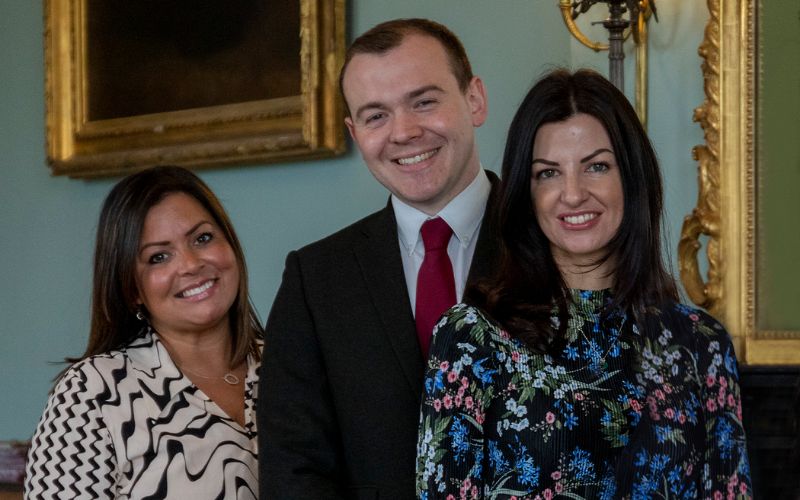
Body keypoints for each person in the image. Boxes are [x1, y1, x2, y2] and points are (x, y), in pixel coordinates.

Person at [415, 69, 752, 499]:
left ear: (631, 178)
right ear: (527, 192)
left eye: (596, 166)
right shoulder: (472, 338)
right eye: (548, 173)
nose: (572, 194)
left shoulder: (701, 343)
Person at [259, 19, 500, 498]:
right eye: (375, 116)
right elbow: (293, 472)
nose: (404, 132)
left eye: (424, 102)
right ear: (354, 131)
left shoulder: (555, 244)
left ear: (474, 99)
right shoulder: (316, 279)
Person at [25, 166, 264, 499]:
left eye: (203, 238)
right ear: (131, 288)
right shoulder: (94, 392)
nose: (191, 264)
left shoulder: (290, 364)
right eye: (159, 257)